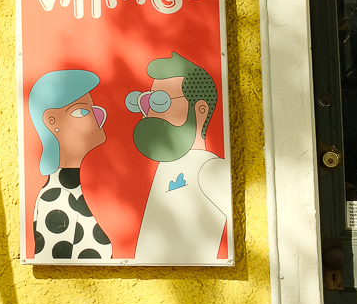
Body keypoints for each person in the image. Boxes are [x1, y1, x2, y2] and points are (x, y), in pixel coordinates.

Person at [126, 51, 230, 263]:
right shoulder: (167, 166)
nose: (150, 113)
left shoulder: (209, 168)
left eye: (161, 101)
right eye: (147, 102)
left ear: (201, 110)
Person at [27, 68, 112, 262]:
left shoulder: (75, 190)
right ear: (51, 122)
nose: (95, 119)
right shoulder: (55, 199)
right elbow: (54, 268)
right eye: (82, 111)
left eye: (93, 110)